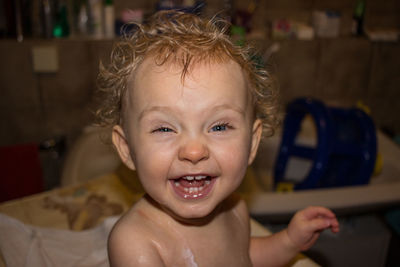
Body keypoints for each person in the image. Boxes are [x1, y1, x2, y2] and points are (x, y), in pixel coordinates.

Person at [96, 10, 339, 267]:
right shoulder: (136, 243)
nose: (194, 151)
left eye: (220, 127)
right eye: (164, 129)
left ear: (253, 143)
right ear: (126, 149)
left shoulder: (235, 209)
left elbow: (243, 257)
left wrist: (289, 242)